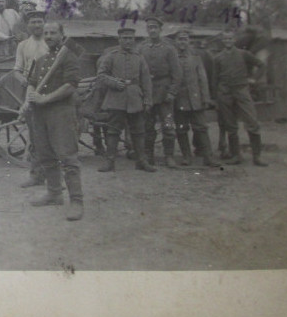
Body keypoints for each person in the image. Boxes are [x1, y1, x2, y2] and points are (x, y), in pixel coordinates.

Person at [23, 21, 85, 221]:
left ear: (61, 35)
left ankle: (76, 201)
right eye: (46, 33)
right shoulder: (41, 59)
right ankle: (54, 193)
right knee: (46, 155)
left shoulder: (69, 56)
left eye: (53, 33)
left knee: (67, 157)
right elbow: (31, 83)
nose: (49, 36)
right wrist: (30, 97)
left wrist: (45, 98)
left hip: (61, 112)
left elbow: (71, 85)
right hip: (40, 114)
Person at [95, 27, 156, 173]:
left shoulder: (139, 57)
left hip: (135, 98)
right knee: (113, 130)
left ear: (134, 40)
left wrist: (148, 99)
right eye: (125, 38)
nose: (128, 41)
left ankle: (141, 161)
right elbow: (101, 75)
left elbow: (146, 80)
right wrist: (114, 82)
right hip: (116, 98)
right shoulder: (111, 56)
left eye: (130, 38)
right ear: (119, 40)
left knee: (139, 131)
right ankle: (110, 162)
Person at [213, 29, 269, 166]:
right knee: (230, 124)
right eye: (225, 39)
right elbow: (214, 79)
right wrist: (216, 97)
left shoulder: (244, 54)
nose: (227, 41)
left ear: (234, 40)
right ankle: (235, 155)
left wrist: (254, 80)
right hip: (224, 92)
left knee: (252, 121)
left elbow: (261, 65)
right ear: (222, 41)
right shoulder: (218, 58)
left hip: (241, 90)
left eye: (230, 39)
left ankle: (257, 156)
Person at [172, 28, 221, 168]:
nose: (182, 42)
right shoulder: (172, 57)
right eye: (180, 39)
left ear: (189, 41)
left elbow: (203, 79)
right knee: (181, 129)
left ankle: (208, 157)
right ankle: (186, 156)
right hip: (179, 100)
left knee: (201, 128)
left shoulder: (196, 57)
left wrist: (206, 98)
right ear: (175, 41)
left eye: (185, 39)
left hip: (196, 100)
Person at [138, 16, 182, 168]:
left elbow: (177, 73)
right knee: (148, 127)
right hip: (148, 93)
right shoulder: (141, 48)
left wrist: (172, 92)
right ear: (147, 30)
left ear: (160, 29)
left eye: (155, 27)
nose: (152, 30)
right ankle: (149, 156)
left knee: (168, 126)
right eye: (149, 27)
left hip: (165, 94)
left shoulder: (169, 48)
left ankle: (169, 156)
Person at [13, 10, 50, 189]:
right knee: (35, 136)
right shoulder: (23, 45)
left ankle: (54, 178)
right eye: (33, 22)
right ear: (28, 25)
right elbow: (17, 70)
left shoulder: (50, 42)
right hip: (30, 91)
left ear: (44, 23)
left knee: (52, 135)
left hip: (50, 92)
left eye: (40, 22)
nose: (37, 25)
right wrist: (25, 82)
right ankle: (36, 176)